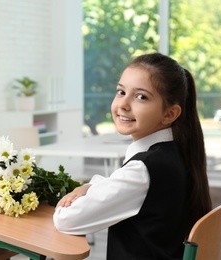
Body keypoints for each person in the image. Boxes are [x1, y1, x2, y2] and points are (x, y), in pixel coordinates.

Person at [53, 53, 212, 259]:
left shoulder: (143, 171)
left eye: (141, 97)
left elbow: (66, 220)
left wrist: (84, 191)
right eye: (121, 92)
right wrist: (89, 188)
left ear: (170, 114)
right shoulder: (178, 151)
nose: (124, 104)